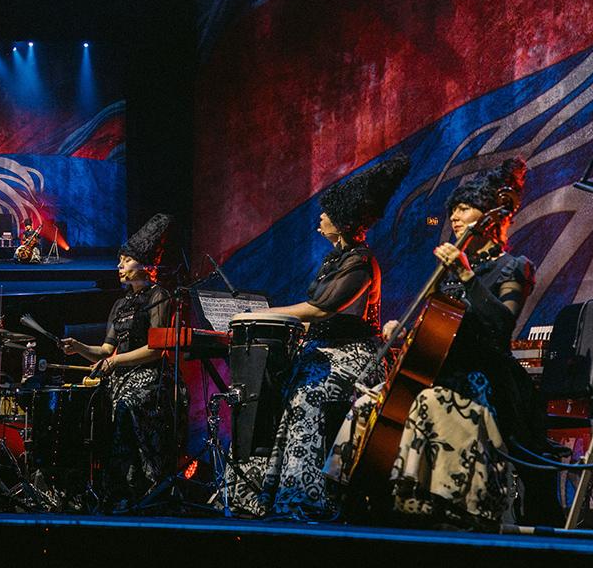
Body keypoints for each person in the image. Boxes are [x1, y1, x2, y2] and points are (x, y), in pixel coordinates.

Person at [374, 157, 557, 530]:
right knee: (372, 401)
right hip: (447, 371)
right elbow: (439, 329)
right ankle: (384, 502)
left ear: (491, 218)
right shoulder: (453, 272)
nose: (454, 217)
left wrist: (467, 275)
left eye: (463, 208)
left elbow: (500, 327)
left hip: (489, 377)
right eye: (453, 210)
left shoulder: (514, 267)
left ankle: (448, 506)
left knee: (429, 400)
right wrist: (404, 332)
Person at [232, 155, 410, 518]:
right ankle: (287, 492)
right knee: (290, 393)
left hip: (353, 357)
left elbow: (322, 309)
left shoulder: (360, 262)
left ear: (342, 222)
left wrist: (262, 313)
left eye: (326, 213)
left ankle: (312, 497)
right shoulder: (335, 260)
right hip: (324, 351)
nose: (320, 218)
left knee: (311, 396)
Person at [60, 214, 175, 510]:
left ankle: (144, 496)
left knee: (128, 420)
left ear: (144, 264)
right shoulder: (120, 304)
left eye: (125, 261)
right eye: (119, 262)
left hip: (150, 379)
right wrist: (80, 348)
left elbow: (156, 349)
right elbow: (105, 350)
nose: (119, 267)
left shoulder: (158, 296)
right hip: (121, 379)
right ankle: (115, 496)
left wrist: (115, 361)